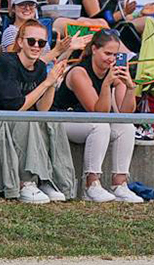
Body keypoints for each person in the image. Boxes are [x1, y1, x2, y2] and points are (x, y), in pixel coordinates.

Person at [0, 20, 76, 204]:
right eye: (31, 41)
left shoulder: (38, 67)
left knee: (50, 120)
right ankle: (26, 182)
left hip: (15, 117)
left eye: (42, 43)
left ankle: (45, 179)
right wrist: (46, 82)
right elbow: (16, 107)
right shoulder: (7, 62)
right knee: (26, 119)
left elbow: (42, 109)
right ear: (20, 42)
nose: (36, 46)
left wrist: (52, 83)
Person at [52, 29, 143, 203]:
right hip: (62, 119)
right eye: (107, 53)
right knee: (101, 126)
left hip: (89, 122)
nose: (111, 59)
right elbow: (98, 112)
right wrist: (107, 85)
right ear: (94, 49)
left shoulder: (113, 72)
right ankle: (91, 185)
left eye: (115, 55)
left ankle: (119, 185)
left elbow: (126, 114)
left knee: (127, 128)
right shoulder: (79, 73)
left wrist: (131, 87)